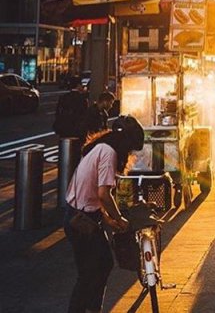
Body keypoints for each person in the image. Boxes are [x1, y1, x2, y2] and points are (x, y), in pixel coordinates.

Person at [63, 115, 144, 313]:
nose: (130, 153)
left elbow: (91, 195)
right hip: (81, 220)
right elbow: (103, 194)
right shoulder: (109, 153)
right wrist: (119, 218)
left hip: (80, 215)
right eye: (131, 148)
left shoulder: (100, 147)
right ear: (126, 142)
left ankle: (90, 309)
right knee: (94, 270)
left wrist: (106, 218)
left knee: (95, 269)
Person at [53, 76, 89, 152]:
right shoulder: (82, 99)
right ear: (78, 85)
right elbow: (84, 116)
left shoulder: (63, 97)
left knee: (64, 149)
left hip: (64, 128)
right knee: (76, 151)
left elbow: (58, 113)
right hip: (77, 130)